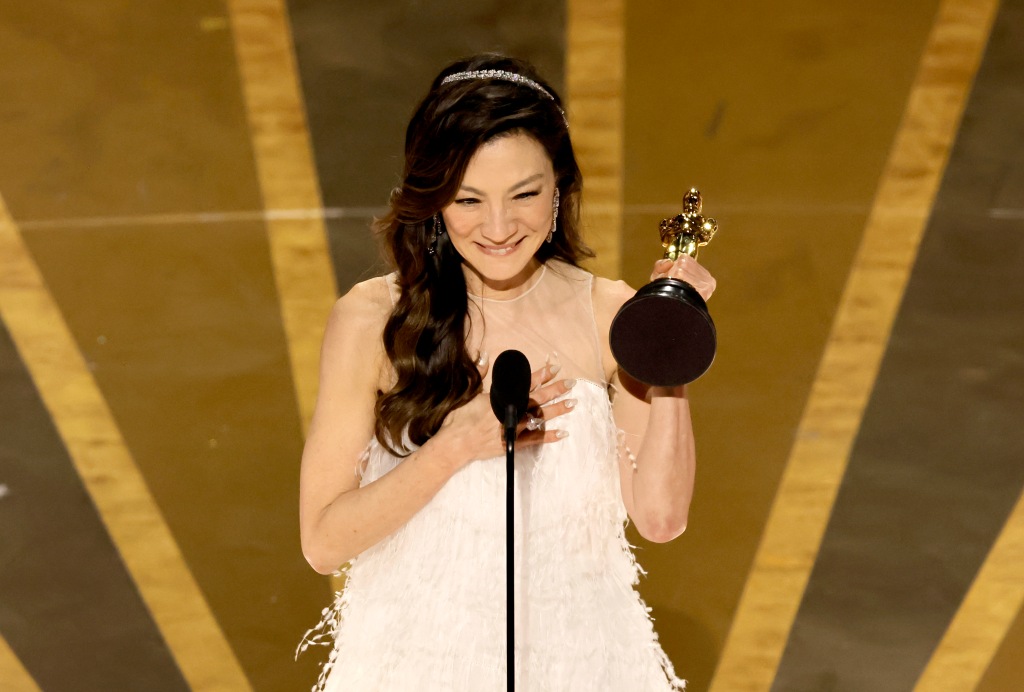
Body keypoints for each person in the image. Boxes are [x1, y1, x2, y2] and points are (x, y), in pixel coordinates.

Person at [297, 54, 716, 691]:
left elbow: (660, 519)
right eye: (468, 200)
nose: (498, 228)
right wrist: (454, 447)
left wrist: (670, 343)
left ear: (560, 189)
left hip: (584, 667)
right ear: (434, 200)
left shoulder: (607, 312)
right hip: (417, 667)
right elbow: (324, 541)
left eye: (525, 194)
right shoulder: (373, 322)